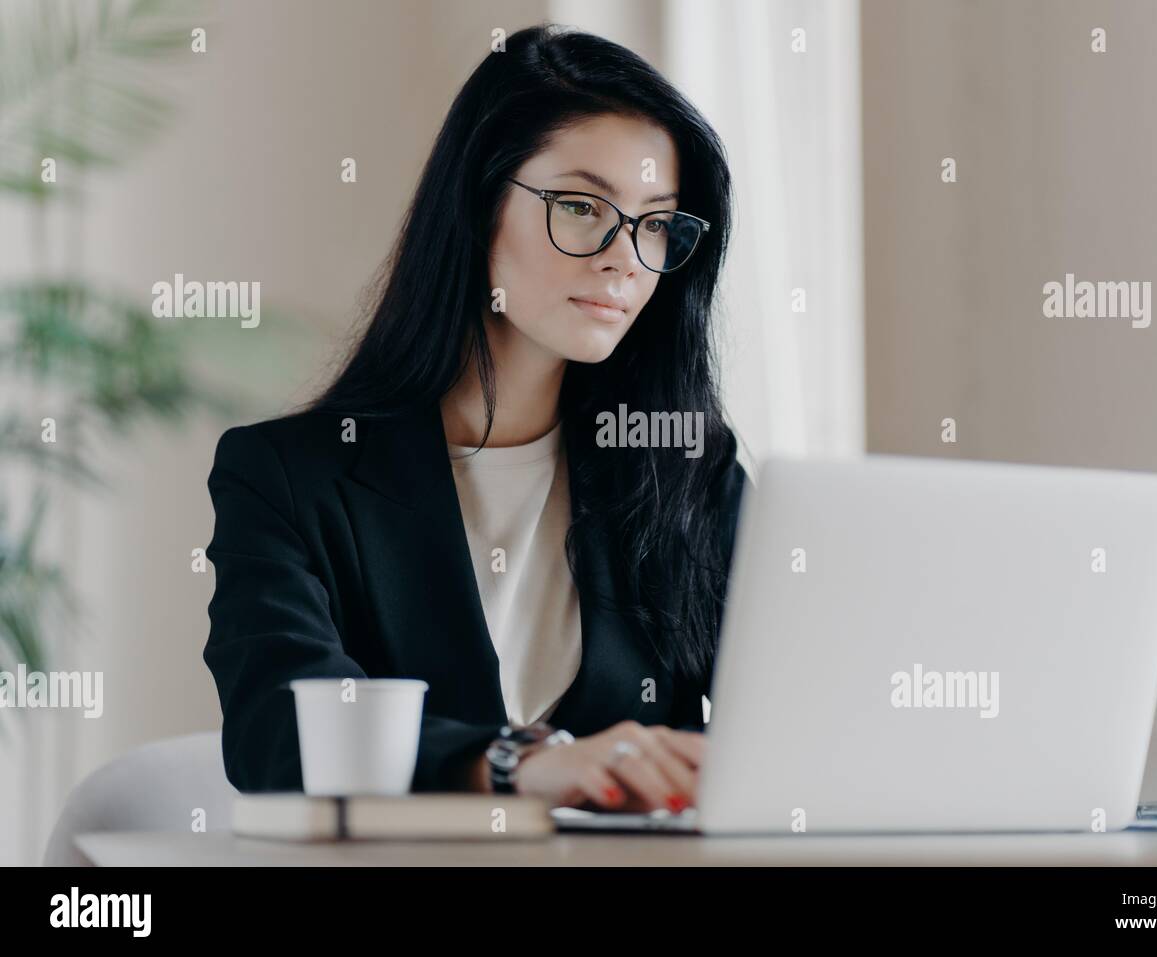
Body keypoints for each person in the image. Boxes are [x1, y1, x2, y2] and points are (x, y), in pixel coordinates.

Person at [202, 23, 749, 814]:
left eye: (658, 222)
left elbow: (793, 722)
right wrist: (510, 765)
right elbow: (277, 729)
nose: (626, 256)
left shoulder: (690, 468)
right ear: (479, 199)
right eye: (581, 205)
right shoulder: (289, 477)